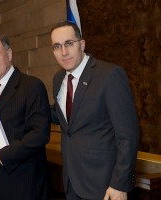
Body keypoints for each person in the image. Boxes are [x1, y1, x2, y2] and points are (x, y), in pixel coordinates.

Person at [50, 21, 140, 200]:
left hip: (104, 185)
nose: (64, 52)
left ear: (82, 44)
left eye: (69, 43)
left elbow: (128, 135)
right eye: (57, 46)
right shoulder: (59, 79)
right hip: (71, 182)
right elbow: (66, 118)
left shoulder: (109, 75)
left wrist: (119, 184)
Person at [0, 32, 51, 200]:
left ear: (9, 54)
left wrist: (1, 157)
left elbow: (39, 135)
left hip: (24, 185)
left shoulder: (32, 86)